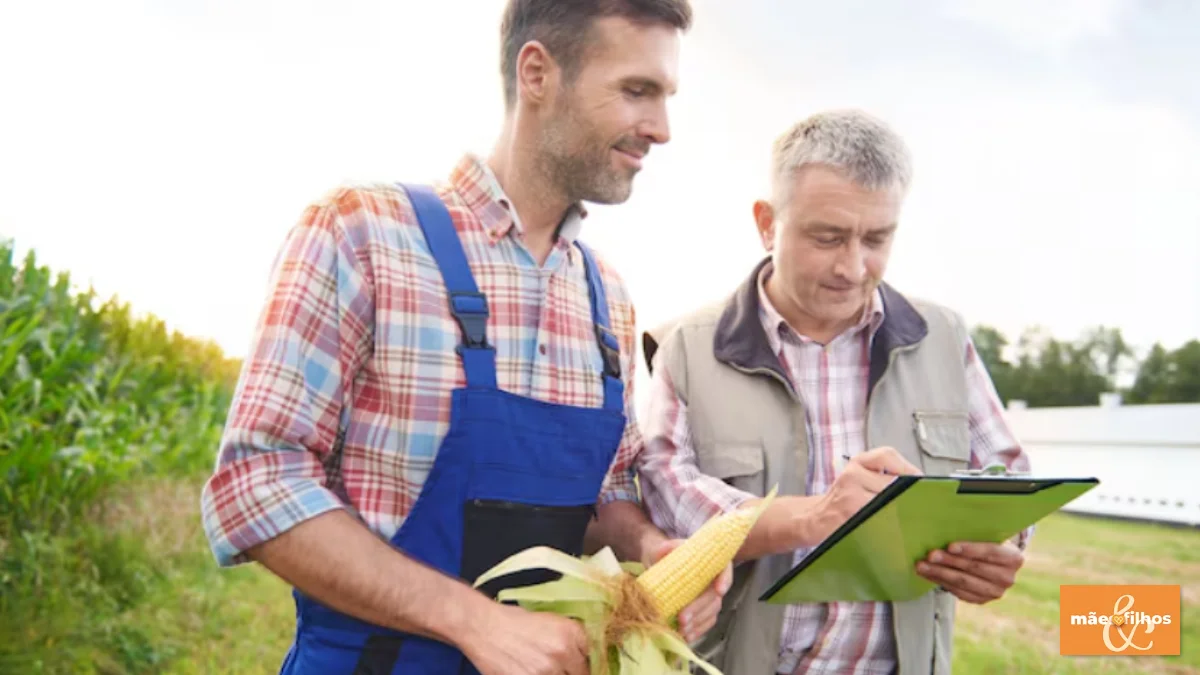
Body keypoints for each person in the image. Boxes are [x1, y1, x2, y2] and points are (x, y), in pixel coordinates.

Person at [198, 2, 730, 674]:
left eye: (666, 96)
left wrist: (650, 548)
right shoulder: (362, 233)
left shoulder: (607, 297)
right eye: (636, 91)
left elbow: (606, 494)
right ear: (537, 73)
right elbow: (255, 483)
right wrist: (470, 619)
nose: (661, 128)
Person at [636, 109, 1034, 675]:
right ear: (767, 223)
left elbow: (1007, 477)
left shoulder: (945, 338)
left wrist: (1004, 547)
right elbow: (665, 496)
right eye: (827, 237)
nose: (852, 267)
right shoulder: (686, 349)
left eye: (876, 239)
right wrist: (813, 517)